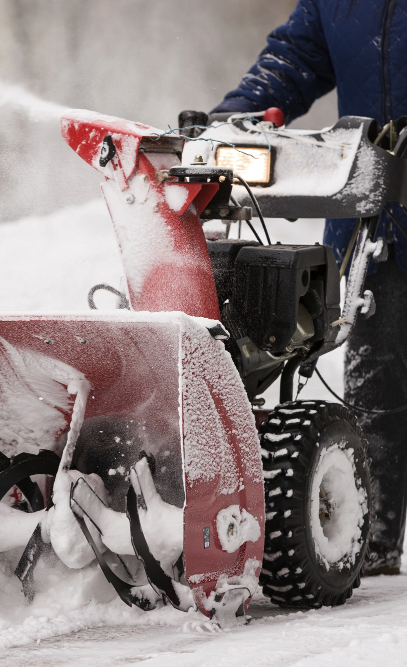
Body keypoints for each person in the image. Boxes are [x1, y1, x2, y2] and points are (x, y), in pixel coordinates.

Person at [211, 0, 407, 576]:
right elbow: (294, 58)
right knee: (378, 389)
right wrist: (237, 118)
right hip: (380, 218)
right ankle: (371, 538)